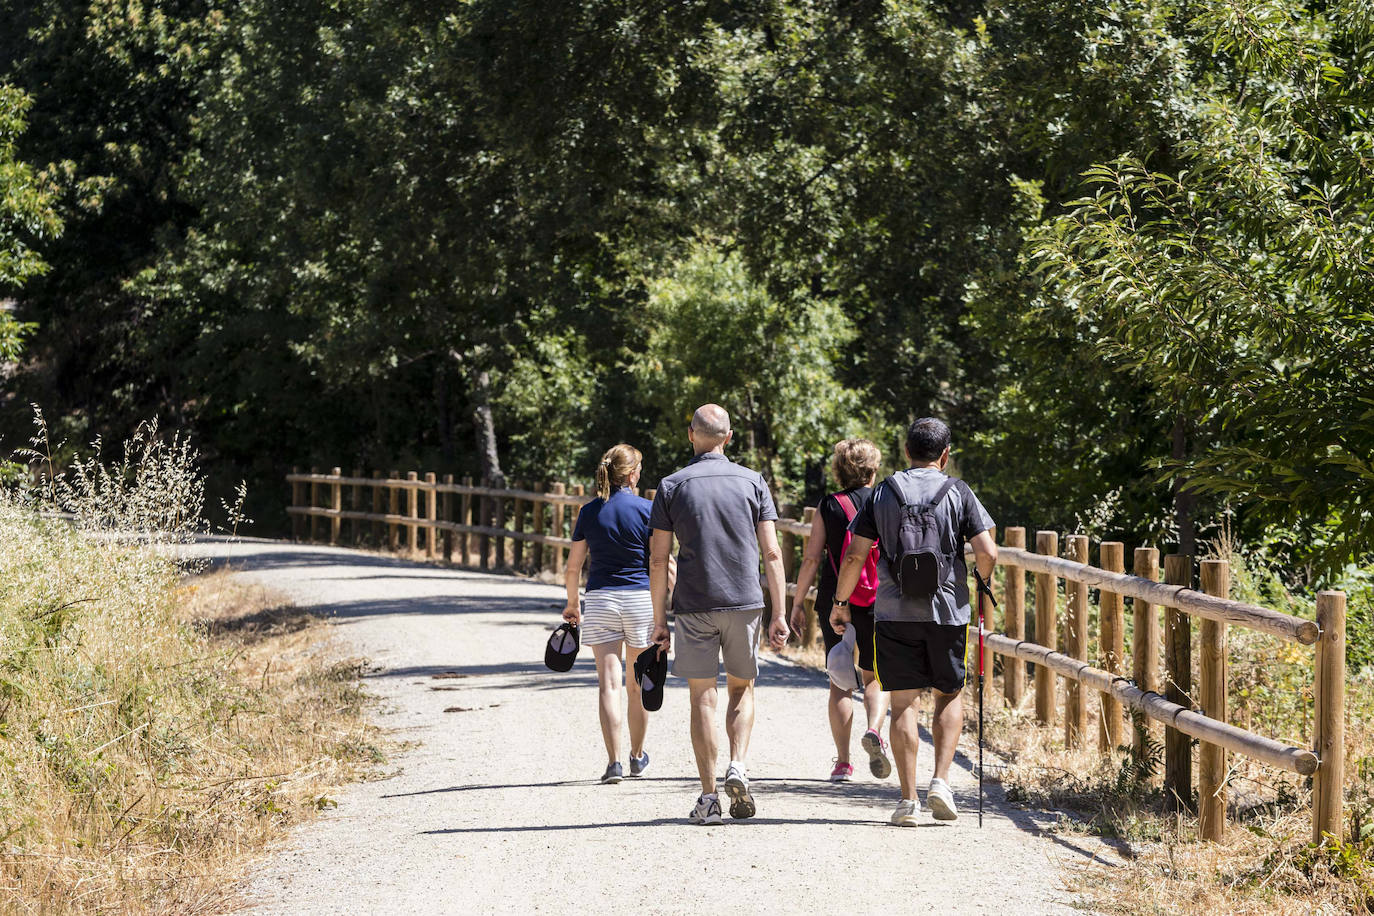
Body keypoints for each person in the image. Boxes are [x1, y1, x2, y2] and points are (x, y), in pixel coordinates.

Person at [832, 417, 997, 826]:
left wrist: (840, 602)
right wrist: (980, 580)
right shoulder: (959, 491)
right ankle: (940, 781)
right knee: (948, 694)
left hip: (893, 612)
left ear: (906, 452)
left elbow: (855, 554)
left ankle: (907, 800)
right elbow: (988, 551)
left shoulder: (884, 492)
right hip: (947, 612)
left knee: (903, 701)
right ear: (945, 455)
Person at [649, 404, 790, 825]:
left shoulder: (672, 486)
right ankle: (739, 765)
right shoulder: (753, 482)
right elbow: (772, 551)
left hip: (694, 603)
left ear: (691, 434)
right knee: (742, 689)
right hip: (745, 602)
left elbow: (658, 560)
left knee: (702, 698)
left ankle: (709, 798)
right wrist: (780, 613)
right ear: (728, 438)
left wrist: (659, 621)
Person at [788, 438, 892, 782]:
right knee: (875, 675)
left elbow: (812, 557)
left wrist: (796, 602)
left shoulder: (829, 505)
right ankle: (875, 730)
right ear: (873, 469)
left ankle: (844, 763)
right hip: (880, 599)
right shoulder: (887, 500)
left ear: (839, 470)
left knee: (840, 682)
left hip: (836, 599)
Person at [563, 444, 659, 784]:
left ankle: (613, 763)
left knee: (608, 685)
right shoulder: (648, 509)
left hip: (601, 599)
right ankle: (637, 756)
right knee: (637, 685)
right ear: (632, 474)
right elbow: (660, 563)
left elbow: (573, 568)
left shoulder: (589, 511)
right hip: (639, 601)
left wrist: (573, 605)